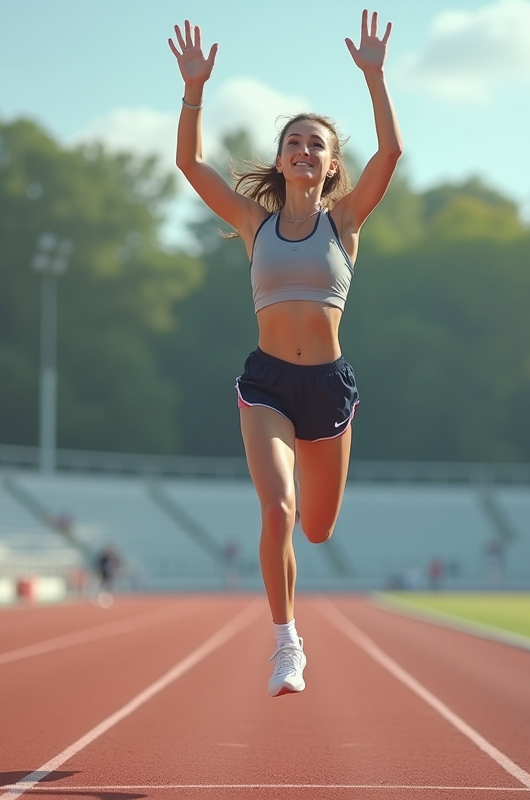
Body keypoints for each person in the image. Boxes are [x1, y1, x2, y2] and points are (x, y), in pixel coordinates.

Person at [170, 9, 401, 697]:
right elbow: (188, 162)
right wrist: (193, 91)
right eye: (294, 142)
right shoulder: (254, 223)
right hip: (267, 383)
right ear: (281, 158)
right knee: (279, 512)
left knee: (321, 530)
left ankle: (290, 628)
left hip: (327, 387)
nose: (304, 150)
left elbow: (390, 156)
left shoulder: (346, 222)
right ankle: (286, 644)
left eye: (316, 145)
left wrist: (375, 77)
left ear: (331, 166)